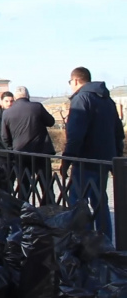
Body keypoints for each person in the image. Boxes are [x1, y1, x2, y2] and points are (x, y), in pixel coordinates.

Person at [61, 67, 125, 241]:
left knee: (78, 202)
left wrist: (66, 160)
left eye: (70, 82)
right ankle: (104, 241)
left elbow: (75, 135)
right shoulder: (107, 100)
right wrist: (115, 157)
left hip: (85, 160)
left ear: (75, 80)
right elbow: (118, 132)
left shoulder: (81, 99)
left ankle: (83, 241)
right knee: (100, 202)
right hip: (104, 160)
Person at [1, 86, 56, 204]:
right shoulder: (37, 107)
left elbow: (5, 136)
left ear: (15, 97)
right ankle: (49, 209)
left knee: (24, 183)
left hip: (20, 153)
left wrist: (12, 148)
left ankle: (23, 208)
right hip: (41, 152)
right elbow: (51, 122)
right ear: (28, 95)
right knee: (46, 184)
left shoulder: (7, 113)